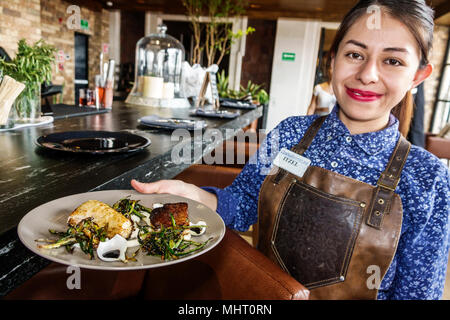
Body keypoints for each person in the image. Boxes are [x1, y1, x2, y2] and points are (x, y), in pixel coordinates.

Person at [132, 0, 449, 300]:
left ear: (418, 76)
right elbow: (243, 205)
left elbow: (418, 292)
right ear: (333, 58)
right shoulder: (292, 132)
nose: (367, 74)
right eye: (355, 54)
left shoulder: (427, 177)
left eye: (392, 61)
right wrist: (196, 197)